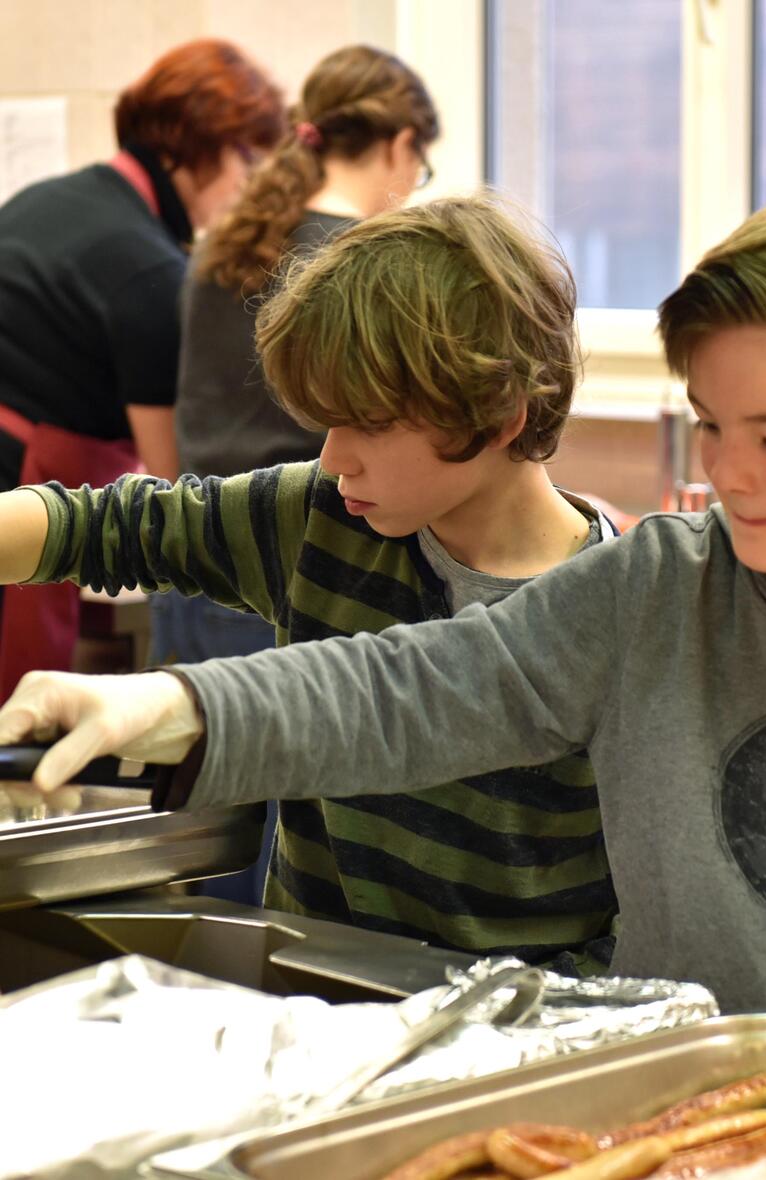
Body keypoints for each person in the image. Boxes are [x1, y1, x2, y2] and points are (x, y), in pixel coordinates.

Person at [0, 174, 766, 1144]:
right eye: (710, 427)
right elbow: (423, 684)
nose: (733, 474)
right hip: (678, 1123)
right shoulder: (656, 588)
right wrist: (179, 703)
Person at [0, 194, 619, 971]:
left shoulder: (614, 614)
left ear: (497, 419)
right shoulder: (322, 520)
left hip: (517, 1047)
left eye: (368, 424)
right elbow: (113, 525)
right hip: (313, 1013)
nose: (333, 458)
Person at [154, 44, 439, 905]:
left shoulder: (226, 246)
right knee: (280, 873)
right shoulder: (361, 264)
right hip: (298, 572)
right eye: (421, 163)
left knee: (195, 852)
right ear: (395, 143)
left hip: (194, 563)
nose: (418, 181)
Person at [0, 39, 283, 700]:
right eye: (247, 161)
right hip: (21, 484)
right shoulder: (151, 273)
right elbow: (172, 477)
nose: (244, 188)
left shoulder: (51, 199)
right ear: (208, 145)